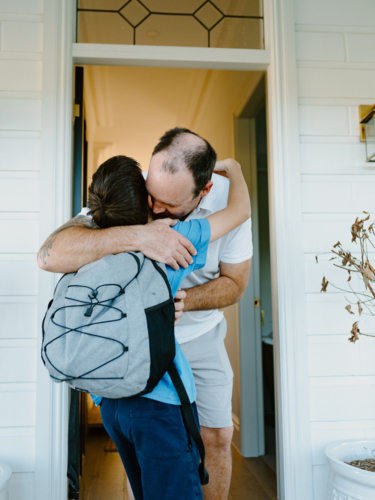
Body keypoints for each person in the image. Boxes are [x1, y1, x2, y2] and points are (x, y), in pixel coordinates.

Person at [38, 128, 253, 500]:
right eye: (150, 196)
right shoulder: (134, 198)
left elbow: (235, 284)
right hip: (133, 353)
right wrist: (141, 236)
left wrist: (184, 298)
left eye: (167, 205)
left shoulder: (185, 217)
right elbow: (50, 254)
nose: (153, 209)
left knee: (214, 436)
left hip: (198, 336)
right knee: (161, 453)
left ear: (203, 191)